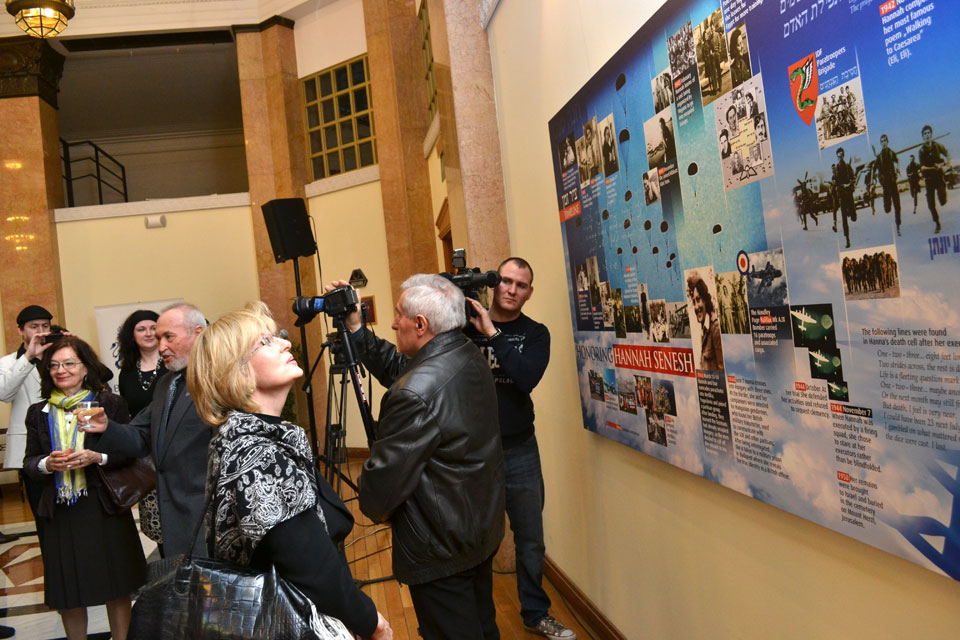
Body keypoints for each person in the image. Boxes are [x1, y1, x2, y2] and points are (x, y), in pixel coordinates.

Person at [187, 302, 391, 640]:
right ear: (235, 370)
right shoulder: (258, 452)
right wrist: (372, 622)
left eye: (277, 336)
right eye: (265, 342)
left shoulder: (250, 437)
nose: (285, 343)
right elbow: (311, 566)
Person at [334, 274, 505, 640]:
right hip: (476, 529)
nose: (394, 322)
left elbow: (379, 494)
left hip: (441, 547)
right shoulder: (464, 352)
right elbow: (403, 369)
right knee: (483, 628)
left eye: (398, 314)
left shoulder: (418, 390)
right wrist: (357, 329)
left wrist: (372, 496)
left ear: (421, 324)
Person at [465, 258, 577, 640]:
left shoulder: (535, 334)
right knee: (479, 541)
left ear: (529, 293)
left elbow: (526, 377)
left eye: (521, 285)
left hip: (520, 450)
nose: (512, 289)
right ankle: (482, 622)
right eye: (506, 281)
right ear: (494, 284)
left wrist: (493, 333)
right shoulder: (464, 329)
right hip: (474, 454)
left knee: (530, 538)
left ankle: (534, 613)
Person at [22, 336, 145, 640]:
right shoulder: (39, 413)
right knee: (68, 589)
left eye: (68, 363)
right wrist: (47, 464)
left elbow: (129, 452)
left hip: (103, 505)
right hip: (60, 510)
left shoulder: (109, 404)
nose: (60, 370)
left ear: (86, 368)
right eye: (53, 365)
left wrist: (96, 457)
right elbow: (28, 463)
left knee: (116, 584)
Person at [84, 303, 209, 557]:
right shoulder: (166, 383)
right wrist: (107, 427)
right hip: (173, 511)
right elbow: (141, 435)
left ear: (197, 333)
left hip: (208, 512)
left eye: (168, 337)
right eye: (159, 338)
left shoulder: (219, 379)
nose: (161, 346)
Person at [114, 309, 167, 551]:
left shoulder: (173, 363)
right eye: (140, 329)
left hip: (174, 444)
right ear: (131, 335)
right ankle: (168, 566)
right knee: (156, 519)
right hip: (145, 452)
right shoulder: (126, 372)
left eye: (152, 327)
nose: (148, 333)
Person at [687, 274, 724, 371]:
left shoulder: (715, 328)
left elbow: (722, 369)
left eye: (698, 300)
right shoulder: (704, 329)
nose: (696, 307)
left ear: (705, 300)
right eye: (694, 302)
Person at [919, 124, 950, 234]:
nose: (927, 135)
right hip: (929, 179)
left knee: (942, 200)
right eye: (925, 134)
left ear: (931, 135)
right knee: (930, 204)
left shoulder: (937, 146)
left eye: (928, 133)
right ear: (922, 137)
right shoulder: (922, 151)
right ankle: (937, 223)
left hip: (938, 177)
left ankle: (943, 197)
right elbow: (922, 167)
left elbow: (947, 154)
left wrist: (945, 164)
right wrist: (933, 167)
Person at [874, 134, 902, 235]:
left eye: (885, 140)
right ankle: (887, 207)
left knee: (897, 206)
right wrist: (874, 178)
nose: (884, 143)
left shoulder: (891, 153)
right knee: (887, 209)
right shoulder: (879, 156)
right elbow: (874, 168)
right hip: (885, 185)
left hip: (892, 182)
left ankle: (898, 226)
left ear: (887, 141)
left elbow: (897, 161)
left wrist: (897, 168)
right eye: (882, 141)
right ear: (880, 143)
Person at [833, 147, 856, 248]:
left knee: (854, 218)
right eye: (838, 156)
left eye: (841, 156)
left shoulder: (848, 166)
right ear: (837, 156)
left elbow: (853, 178)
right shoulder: (836, 169)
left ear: (843, 156)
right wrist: (837, 184)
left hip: (849, 194)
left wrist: (850, 184)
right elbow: (835, 181)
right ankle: (847, 239)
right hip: (842, 195)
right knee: (843, 219)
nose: (840, 158)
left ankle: (851, 213)